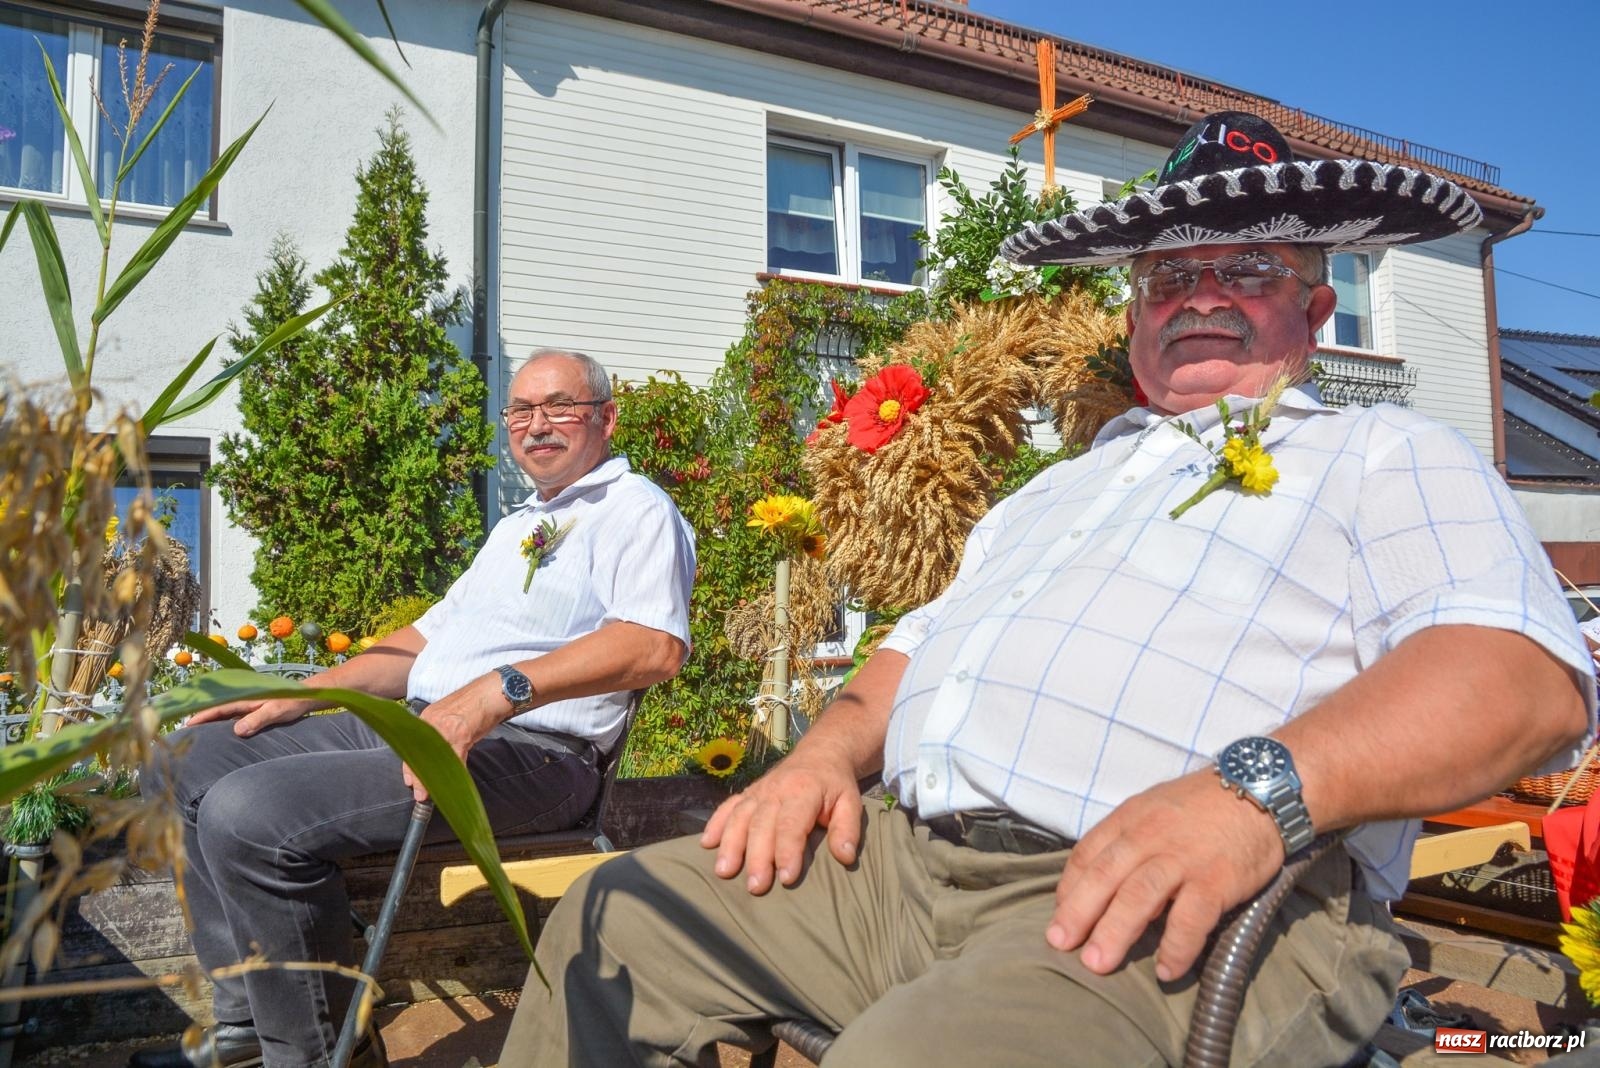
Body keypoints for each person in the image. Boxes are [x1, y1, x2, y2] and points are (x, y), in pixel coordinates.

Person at [499, 113, 1595, 1068]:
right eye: (1167, 276)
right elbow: (911, 648)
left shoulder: (1384, 451)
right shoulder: (1053, 488)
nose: (1200, 295)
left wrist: (1251, 792)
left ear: (1315, 315)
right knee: (612, 918)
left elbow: (1525, 681)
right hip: (897, 864)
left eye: (1249, 269)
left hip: (1188, 897)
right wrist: (822, 758)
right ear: (1132, 320)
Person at [132, 349, 695, 1068]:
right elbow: (427, 636)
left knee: (249, 812)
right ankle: (249, 1021)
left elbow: (652, 646)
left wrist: (494, 694)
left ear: (606, 418)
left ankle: (313, 1051)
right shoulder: (518, 524)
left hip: (535, 758)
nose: (536, 424)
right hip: (427, 727)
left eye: (560, 406)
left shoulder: (635, 509)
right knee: (180, 760)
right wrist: (308, 692)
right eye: (521, 410)